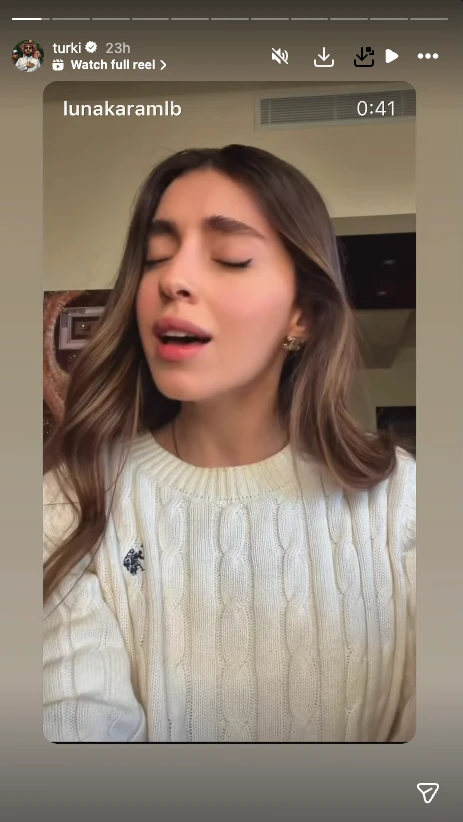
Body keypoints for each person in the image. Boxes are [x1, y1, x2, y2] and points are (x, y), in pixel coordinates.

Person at [43, 144, 416, 743]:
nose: (173, 280)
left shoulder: (405, 504)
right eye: (156, 257)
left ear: (303, 315)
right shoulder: (69, 503)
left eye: (230, 258)